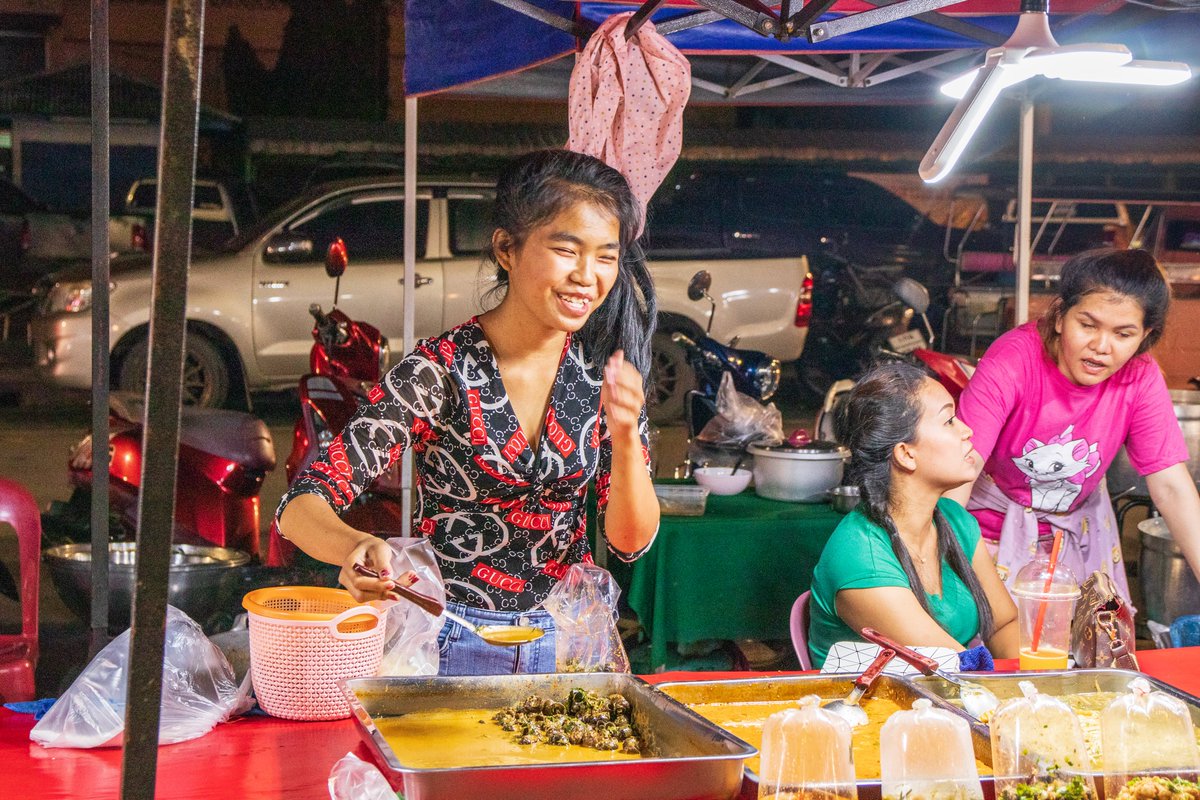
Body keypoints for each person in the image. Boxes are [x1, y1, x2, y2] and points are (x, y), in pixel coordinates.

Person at [276, 149, 661, 676]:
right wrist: (355, 545)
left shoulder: (605, 380)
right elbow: (300, 506)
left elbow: (630, 543)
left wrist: (623, 441)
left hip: (568, 642)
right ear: (506, 248)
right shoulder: (438, 371)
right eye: (567, 250)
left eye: (605, 257)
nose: (587, 277)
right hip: (445, 635)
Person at [950, 248, 1200, 606]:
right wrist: (936, 571)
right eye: (1087, 325)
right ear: (1058, 316)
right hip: (984, 539)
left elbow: (1172, 487)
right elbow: (961, 469)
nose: (1101, 347)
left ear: (1145, 336)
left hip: (1079, 539)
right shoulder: (1013, 360)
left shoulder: (1140, 377)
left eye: (1123, 334)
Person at [807, 362, 1018, 668]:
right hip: (872, 710)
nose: (967, 431)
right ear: (906, 454)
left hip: (945, 701)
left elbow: (1003, 624)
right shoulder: (859, 555)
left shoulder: (955, 522)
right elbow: (952, 667)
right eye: (949, 421)